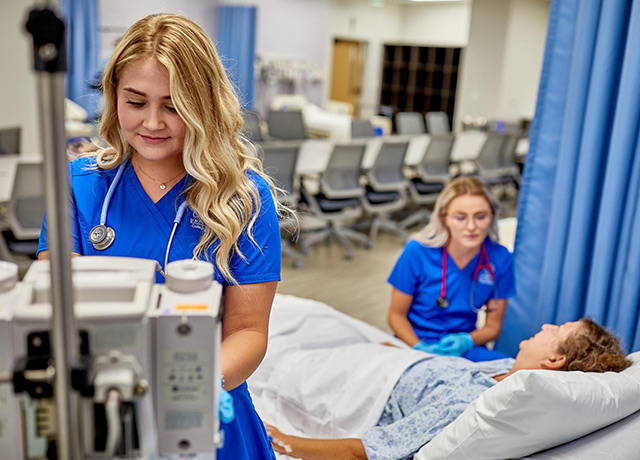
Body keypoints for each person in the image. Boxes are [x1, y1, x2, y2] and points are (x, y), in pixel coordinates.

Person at [37, 14, 281, 460]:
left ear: (203, 106)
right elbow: (50, 310)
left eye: (173, 106)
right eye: (136, 101)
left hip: (202, 402)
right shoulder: (75, 185)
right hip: (100, 407)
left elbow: (248, 332)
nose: (152, 122)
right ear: (113, 96)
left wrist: (189, 391)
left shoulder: (244, 199)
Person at [265, 318, 632, 460]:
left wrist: (282, 439)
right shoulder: (505, 371)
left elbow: (369, 451)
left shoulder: (470, 404)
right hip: (389, 360)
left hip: (360, 386)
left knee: (274, 357)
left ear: (555, 361)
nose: (548, 324)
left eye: (559, 331)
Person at [387, 176, 515, 361]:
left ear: (492, 216)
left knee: (510, 372)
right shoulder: (417, 252)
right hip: (414, 344)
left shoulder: (500, 258)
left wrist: (467, 341)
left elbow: (492, 328)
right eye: (460, 217)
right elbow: (395, 316)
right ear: (444, 218)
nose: (471, 227)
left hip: (463, 346)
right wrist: (419, 348)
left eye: (481, 217)